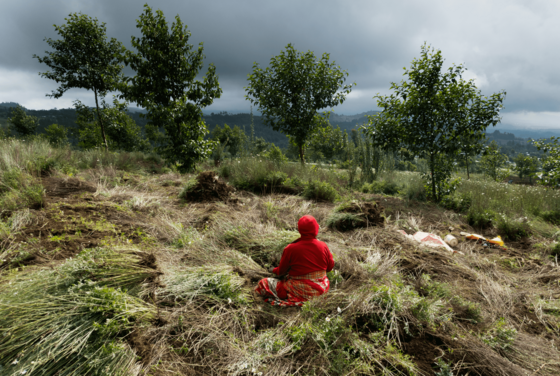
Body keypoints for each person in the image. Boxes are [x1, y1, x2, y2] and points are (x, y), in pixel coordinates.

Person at [254, 215, 335, 307]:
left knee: (263, 283)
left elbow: (281, 272)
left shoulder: (290, 248)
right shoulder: (323, 246)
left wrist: (272, 269)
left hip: (299, 292)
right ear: (316, 229)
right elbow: (329, 268)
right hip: (321, 292)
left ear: (300, 230)